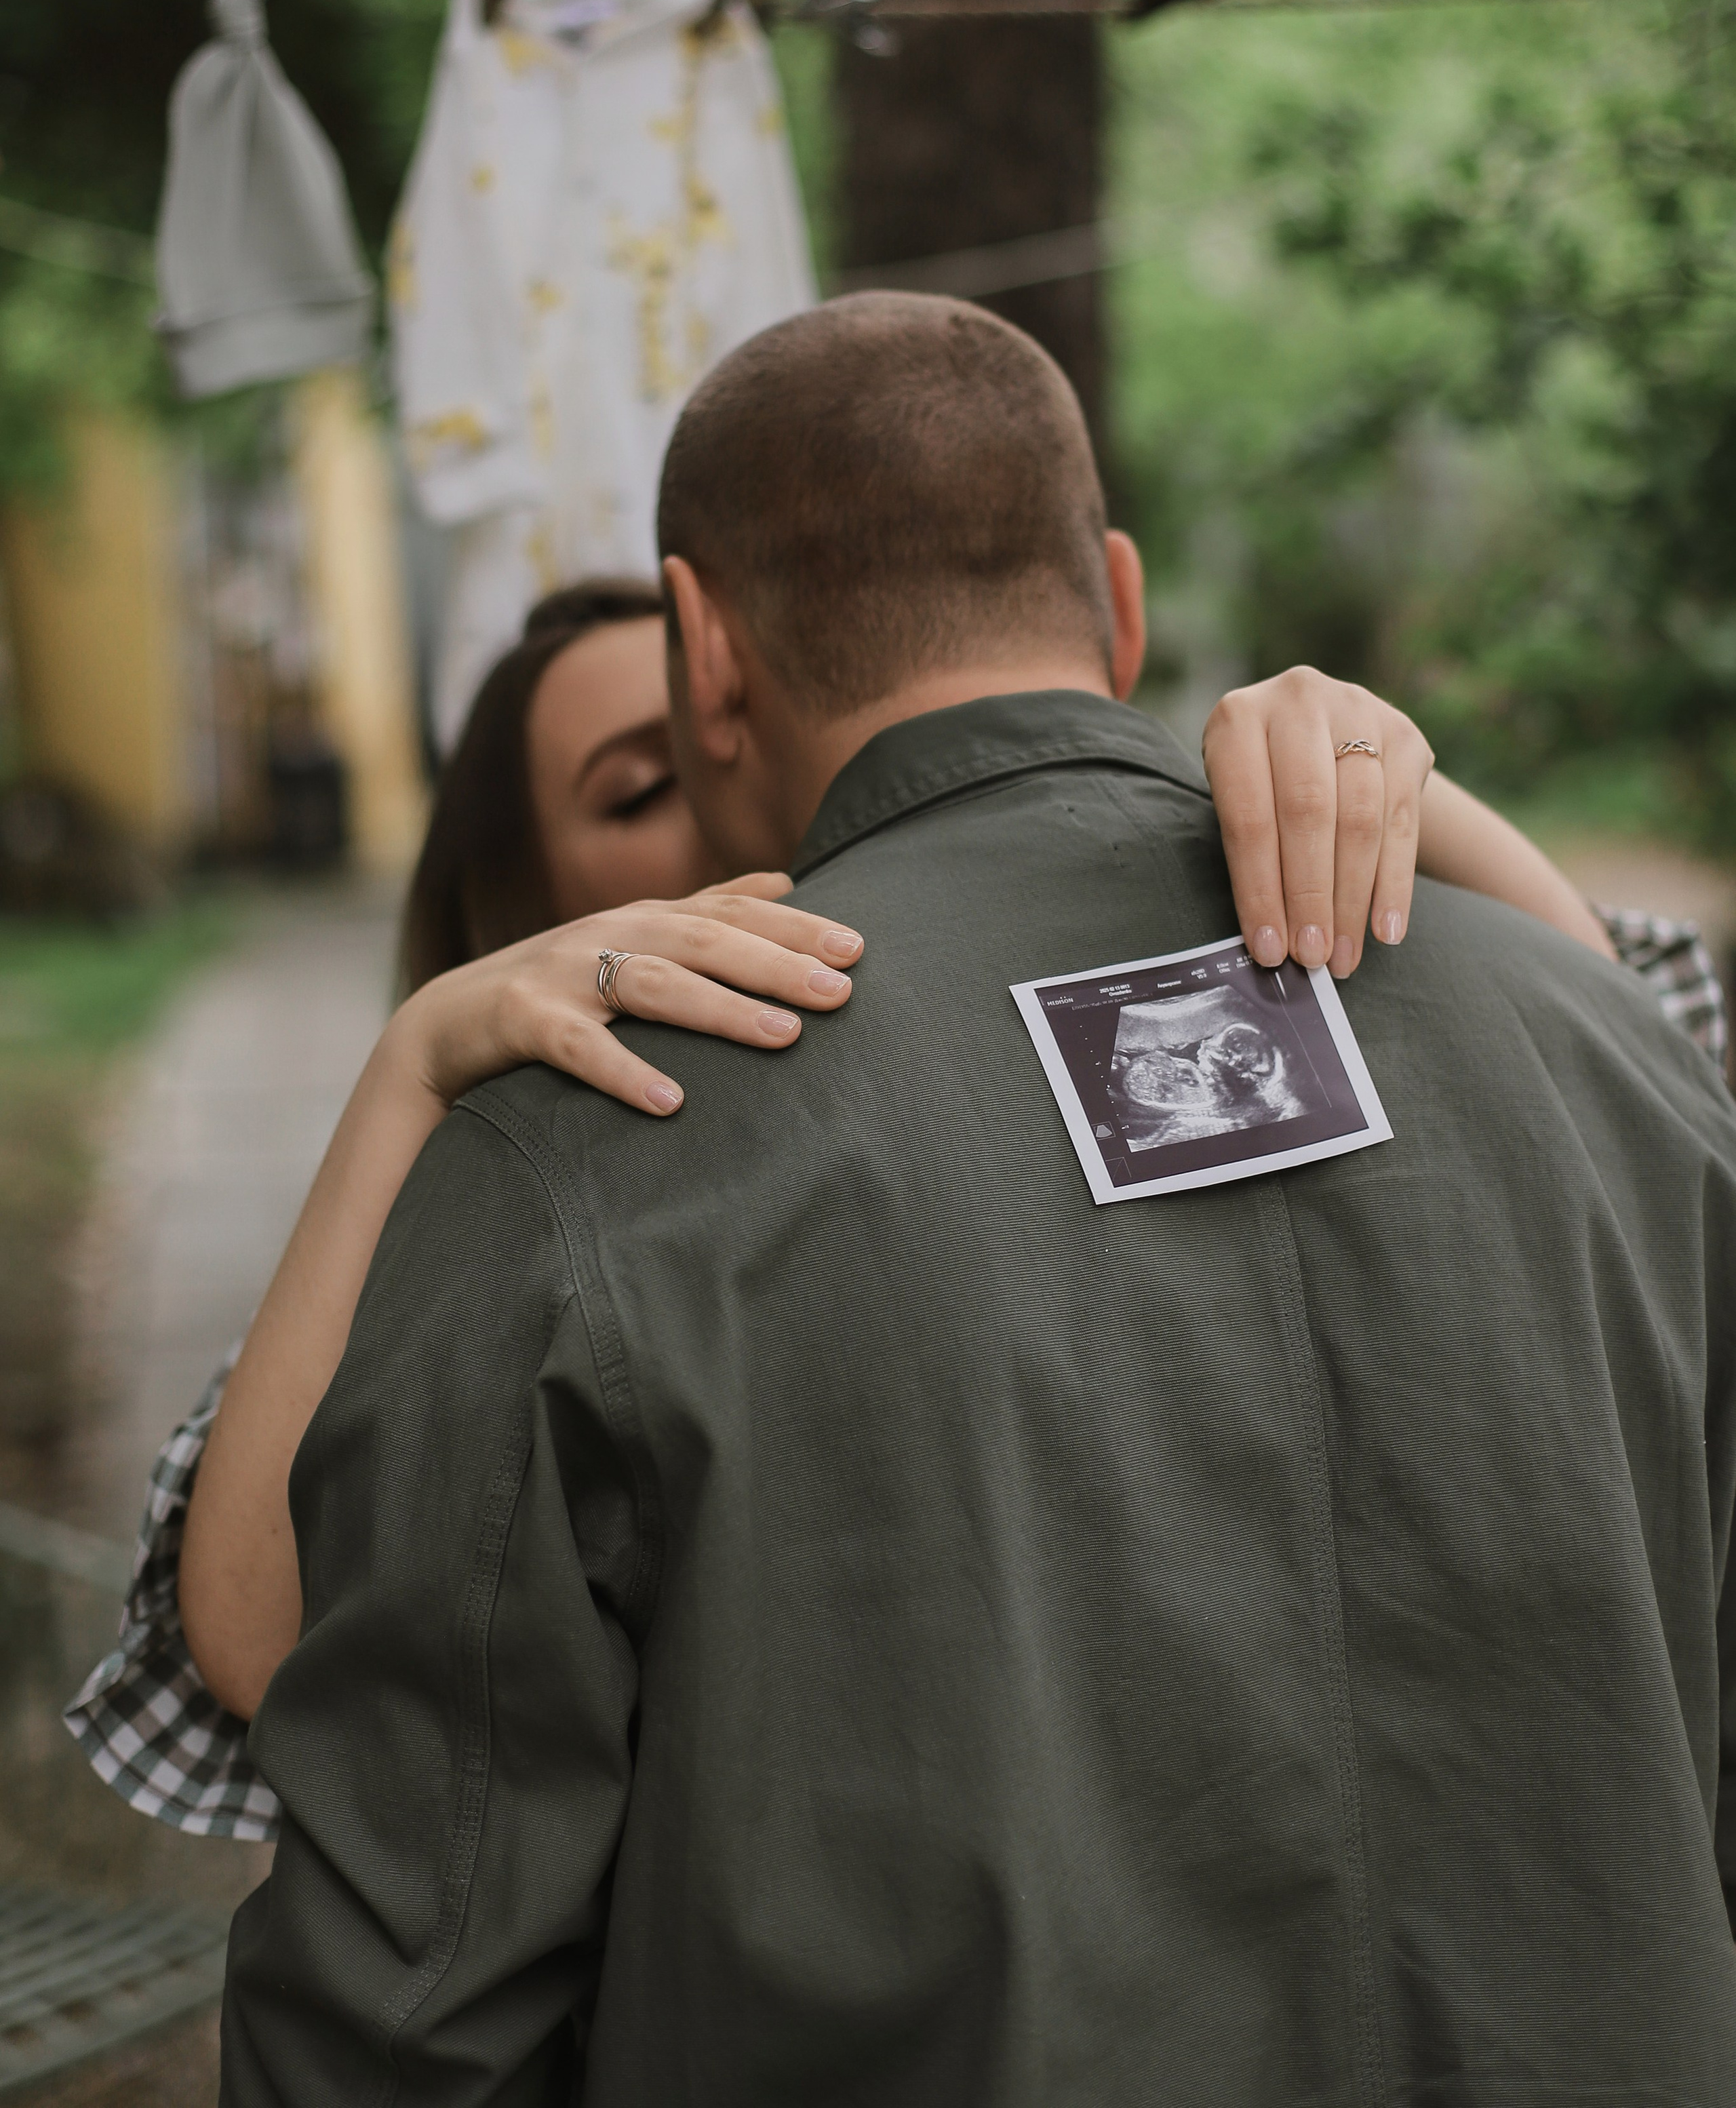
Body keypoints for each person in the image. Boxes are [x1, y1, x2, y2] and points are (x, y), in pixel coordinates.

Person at [222, 294, 1736, 2104]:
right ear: (1118, 599)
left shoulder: (583, 1164)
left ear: (707, 651)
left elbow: (401, 1995)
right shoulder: (1621, 1058)